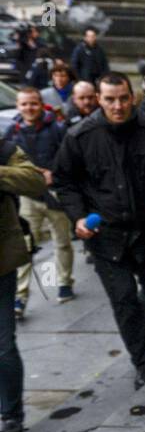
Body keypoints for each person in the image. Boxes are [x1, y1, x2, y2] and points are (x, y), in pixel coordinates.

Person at [51, 73, 145, 389]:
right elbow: (63, 181)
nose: (118, 106)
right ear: (99, 99)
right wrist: (78, 217)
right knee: (124, 299)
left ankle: (133, 328)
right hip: (106, 237)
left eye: (123, 98)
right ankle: (144, 361)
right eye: (110, 99)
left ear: (133, 97)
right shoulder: (80, 136)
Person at [9, 88, 71, 317]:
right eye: (24, 104)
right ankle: (21, 295)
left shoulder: (57, 128)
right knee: (24, 247)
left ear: (41, 104)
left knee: (62, 241)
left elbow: (69, 157)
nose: (29, 108)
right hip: (27, 197)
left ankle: (64, 281)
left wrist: (54, 174)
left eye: (33, 103)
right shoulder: (12, 132)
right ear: (18, 106)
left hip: (55, 195)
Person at [0, 140, 46, 432]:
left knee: (3, 345)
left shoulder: (3, 148)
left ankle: (11, 415)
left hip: (1, 264)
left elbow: (34, 180)